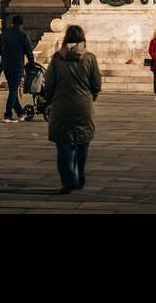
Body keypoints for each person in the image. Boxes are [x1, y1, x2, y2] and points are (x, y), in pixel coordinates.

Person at [40, 24, 102, 194]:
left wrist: (52, 99)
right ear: (83, 38)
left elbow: (49, 83)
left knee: (64, 144)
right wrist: (90, 97)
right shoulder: (89, 58)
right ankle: (80, 178)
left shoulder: (57, 58)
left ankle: (69, 180)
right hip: (84, 106)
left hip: (61, 106)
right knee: (82, 142)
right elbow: (96, 83)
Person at [0, 15, 35, 122]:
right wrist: (32, 64)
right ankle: (7, 115)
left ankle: (20, 113)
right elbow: (29, 52)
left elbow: (0, 50)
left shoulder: (4, 35)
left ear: (12, 23)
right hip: (17, 65)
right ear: (21, 24)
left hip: (6, 65)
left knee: (13, 89)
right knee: (13, 90)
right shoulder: (23, 35)